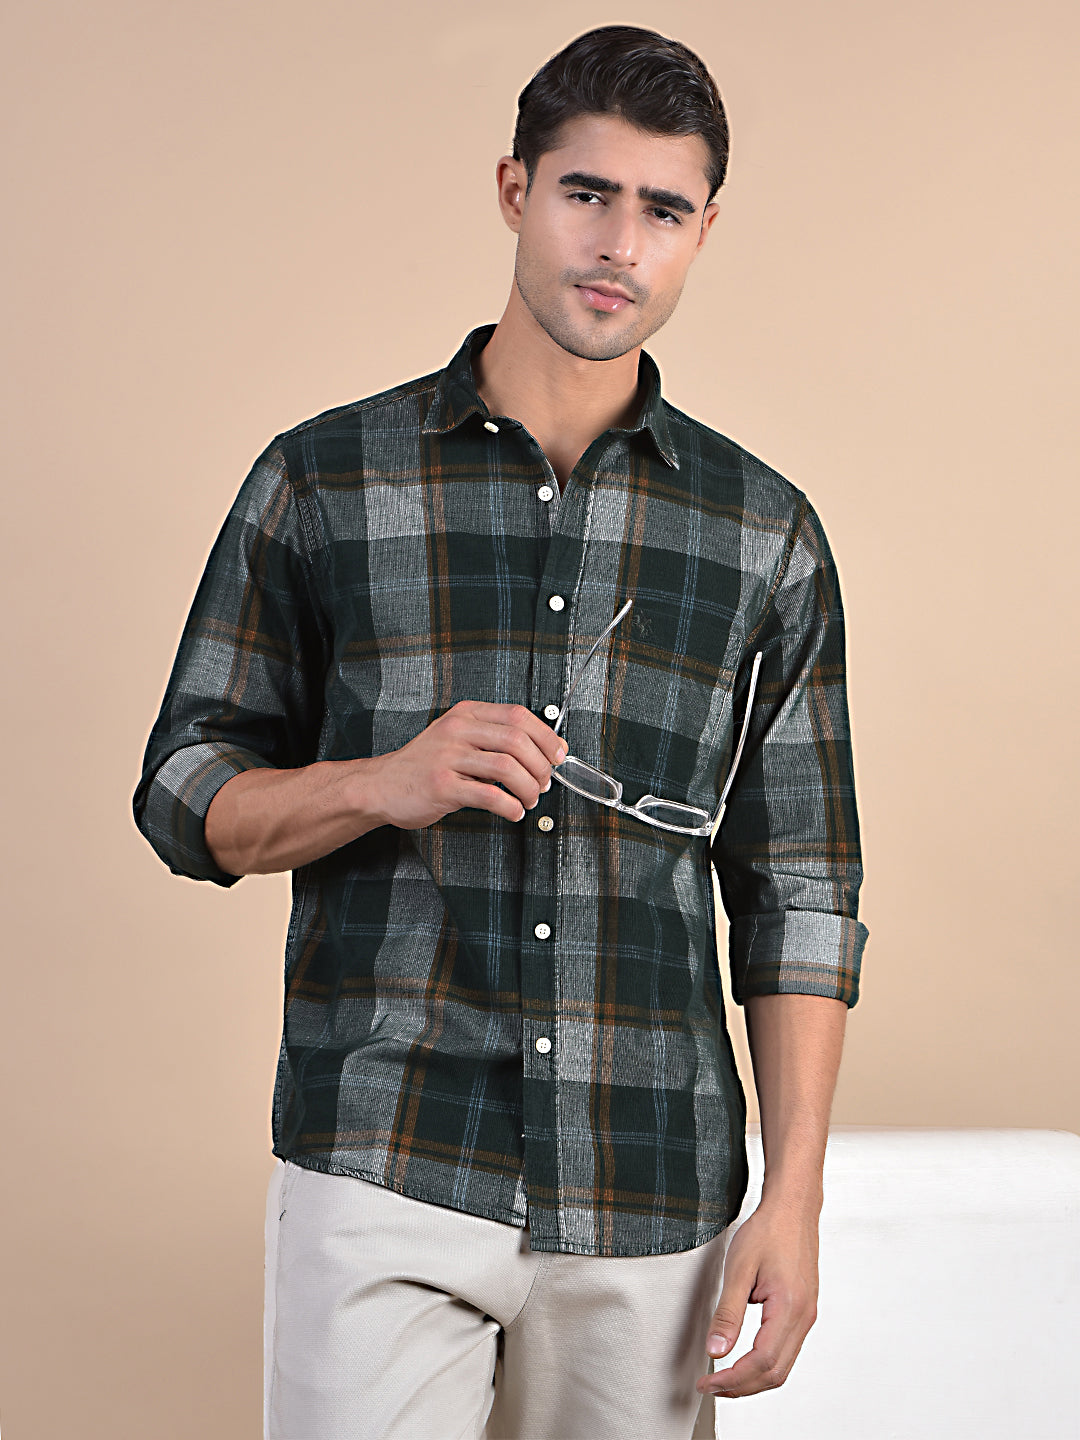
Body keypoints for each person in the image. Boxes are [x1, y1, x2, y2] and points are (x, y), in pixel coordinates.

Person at [133, 23, 867, 1440]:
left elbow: (803, 894)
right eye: (588, 193)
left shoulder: (764, 534)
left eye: (664, 210)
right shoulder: (325, 479)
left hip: (648, 1186)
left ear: (704, 232)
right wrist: (383, 782)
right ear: (515, 189)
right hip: (387, 1153)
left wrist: (795, 1199)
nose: (620, 245)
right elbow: (185, 791)